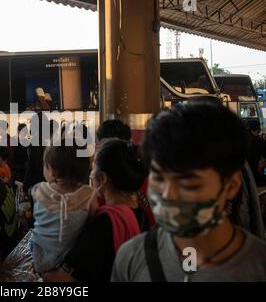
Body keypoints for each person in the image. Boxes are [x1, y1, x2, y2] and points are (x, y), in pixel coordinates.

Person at [112, 102, 266, 282]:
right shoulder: (132, 258)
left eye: (188, 184)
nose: (168, 194)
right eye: (159, 179)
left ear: (231, 186)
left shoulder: (259, 268)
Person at [42, 138, 148, 282]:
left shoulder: (103, 224)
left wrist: (41, 271)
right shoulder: (140, 211)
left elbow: (62, 279)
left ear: (102, 178)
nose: (90, 174)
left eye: (93, 169)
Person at [31, 143, 95, 274]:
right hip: (69, 262)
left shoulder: (39, 190)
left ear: (51, 170)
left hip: (40, 258)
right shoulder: (89, 195)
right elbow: (91, 222)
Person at [245, 119, 266, 187]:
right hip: (253, 178)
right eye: (258, 130)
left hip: (242, 179)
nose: (259, 132)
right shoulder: (258, 141)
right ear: (253, 130)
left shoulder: (240, 140)